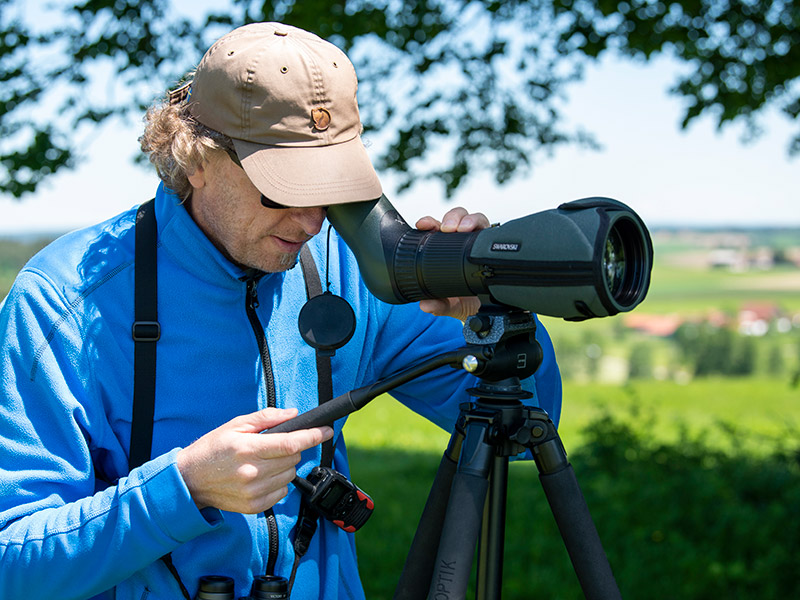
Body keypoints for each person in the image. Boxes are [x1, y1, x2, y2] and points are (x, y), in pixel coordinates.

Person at [0, 22, 561, 600]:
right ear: (195, 157)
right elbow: (11, 563)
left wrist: (489, 312)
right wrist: (183, 488)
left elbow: (522, 430)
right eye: (282, 188)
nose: (312, 221)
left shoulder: (349, 266)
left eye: (330, 187)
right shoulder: (64, 302)